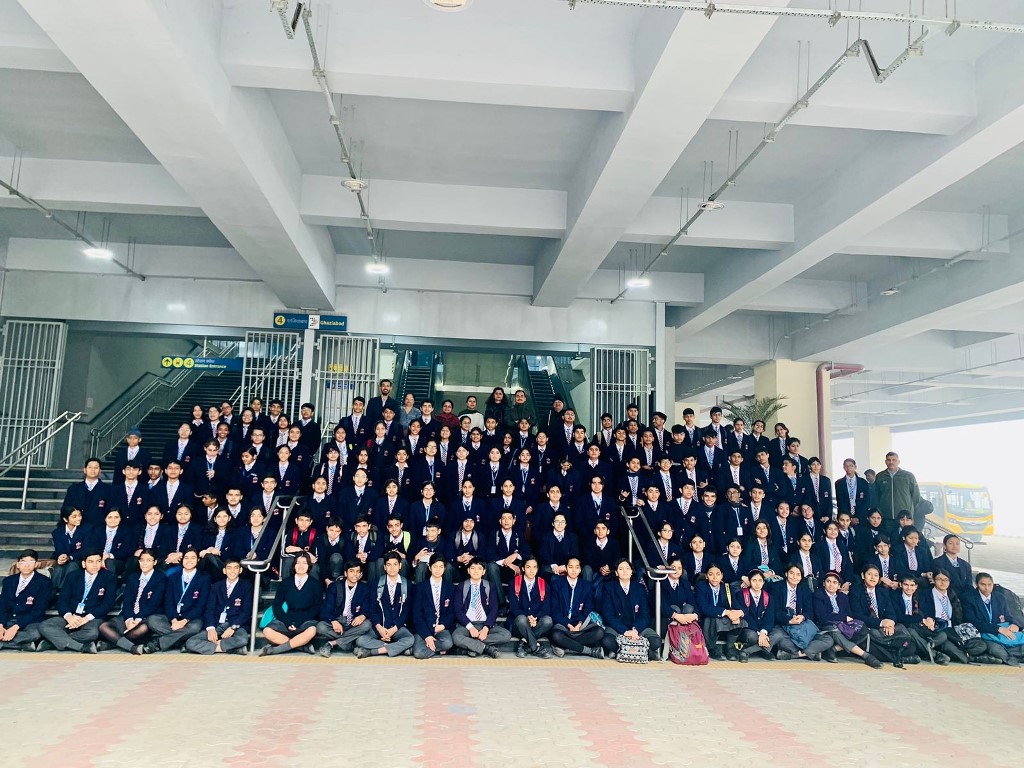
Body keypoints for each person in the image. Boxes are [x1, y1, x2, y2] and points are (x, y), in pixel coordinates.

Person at [38, 551, 117, 653]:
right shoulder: (73, 576)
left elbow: (107, 604)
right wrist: (69, 617)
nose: (95, 565)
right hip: (71, 615)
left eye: (98, 561)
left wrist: (86, 618)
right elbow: (62, 600)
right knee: (45, 625)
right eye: (91, 562)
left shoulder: (109, 577)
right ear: (84, 563)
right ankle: (79, 646)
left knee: (92, 633)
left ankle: (53, 642)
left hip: (92, 617)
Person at [97, 549, 166, 654]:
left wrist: (137, 619)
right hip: (128, 615)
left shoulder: (161, 578)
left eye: (148, 560)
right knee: (104, 626)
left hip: (145, 616)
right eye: (142, 560)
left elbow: (154, 603)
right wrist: (129, 619)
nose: (144, 563)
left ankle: (112, 643)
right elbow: (127, 601)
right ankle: (131, 647)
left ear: (155, 562)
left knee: (142, 629)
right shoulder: (133, 577)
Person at [811, 571, 883, 668]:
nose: (831, 585)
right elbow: (822, 617)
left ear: (839, 586)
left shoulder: (843, 597)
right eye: (828, 581)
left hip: (843, 625)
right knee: (835, 631)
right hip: (826, 625)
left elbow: (850, 615)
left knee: (863, 629)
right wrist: (842, 617)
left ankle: (833, 649)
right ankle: (866, 656)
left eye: (834, 582)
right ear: (824, 583)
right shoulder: (818, 595)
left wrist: (844, 618)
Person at [146, 549, 210, 652]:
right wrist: (174, 620)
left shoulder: (204, 579)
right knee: (152, 620)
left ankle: (158, 642)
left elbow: (200, 605)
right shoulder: (173, 578)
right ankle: (181, 641)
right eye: (186, 558)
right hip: (173, 618)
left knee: (195, 628)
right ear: (182, 560)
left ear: (198, 560)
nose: (189, 561)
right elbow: (168, 602)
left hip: (192, 619)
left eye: (193, 558)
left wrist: (184, 621)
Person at [849, 564, 913, 667]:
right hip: (869, 629)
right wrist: (881, 623)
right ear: (863, 576)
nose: (873, 577)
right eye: (869, 574)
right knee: (870, 644)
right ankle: (898, 658)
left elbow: (891, 612)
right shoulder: (855, 591)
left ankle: (893, 655)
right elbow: (857, 615)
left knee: (910, 644)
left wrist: (890, 623)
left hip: (885, 629)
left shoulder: (882, 591)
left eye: (876, 575)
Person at [598, 558, 662, 661]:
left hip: (636, 629)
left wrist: (635, 630)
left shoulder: (640, 588)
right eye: (621, 569)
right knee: (606, 640)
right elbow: (608, 615)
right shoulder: (608, 588)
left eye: (627, 568)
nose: (625, 571)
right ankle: (644, 652)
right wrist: (625, 631)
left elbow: (645, 614)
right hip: (617, 628)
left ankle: (620, 651)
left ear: (632, 571)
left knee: (656, 641)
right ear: (616, 573)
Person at [353, 552, 415, 658]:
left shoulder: (407, 585)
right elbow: (372, 609)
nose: (392, 568)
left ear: (400, 566)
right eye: (389, 565)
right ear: (384, 567)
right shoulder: (376, 583)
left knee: (410, 639)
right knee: (360, 640)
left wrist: (393, 629)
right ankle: (396, 647)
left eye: (395, 564)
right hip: (380, 626)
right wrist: (379, 628)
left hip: (397, 627)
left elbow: (406, 612)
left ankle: (373, 651)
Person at [185, 558, 252, 655]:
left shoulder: (246, 586)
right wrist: (211, 628)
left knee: (242, 640)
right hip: (217, 624)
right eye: (229, 568)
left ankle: (213, 647)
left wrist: (233, 627)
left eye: (236, 568)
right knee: (191, 642)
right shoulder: (216, 586)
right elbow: (209, 609)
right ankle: (231, 649)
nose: (232, 571)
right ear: (224, 571)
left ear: (240, 570)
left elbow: (246, 612)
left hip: (236, 624)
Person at [770, 563, 832, 661]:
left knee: (828, 640)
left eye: (798, 574)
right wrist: (789, 620)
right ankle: (812, 652)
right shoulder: (776, 587)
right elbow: (773, 611)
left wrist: (802, 616)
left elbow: (810, 612)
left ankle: (795, 654)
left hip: (800, 624)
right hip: (783, 623)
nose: (795, 577)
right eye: (792, 573)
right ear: (786, 574)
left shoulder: (804, 589)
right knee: (780, 639)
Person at [453, 558, 512, 657]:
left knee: (506, 635)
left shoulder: (490, 586)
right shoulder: (462, 586)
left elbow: (494, 609)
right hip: (468, 624)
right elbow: (458, 611)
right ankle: (486, 648)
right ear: (468, 570)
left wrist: (486, 628)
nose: (476, 571)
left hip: (484, 623)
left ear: (484, 571)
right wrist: (470, 627)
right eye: (473, 568)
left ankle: (472, 647)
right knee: (456, 637)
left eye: (479, 568)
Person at [962, 572, 1024, 666]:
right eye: (983, 584)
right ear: (977, 584)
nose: (986, 588)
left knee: (1017, 640)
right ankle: (1013, 657)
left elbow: (1008, 616)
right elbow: (972, 622)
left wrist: (1015, 625)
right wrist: (997, 629)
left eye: (989, 584)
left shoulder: (1000, 597)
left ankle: (1009, 657)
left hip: (1004, 632)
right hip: (984, 632)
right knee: (995, 649)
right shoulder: (969, 598)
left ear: (993, 584)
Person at [549, 557, 604, 658]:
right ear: (566, 568)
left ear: (580, 570)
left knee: (599, 632)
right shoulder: (557, 585)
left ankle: (564, 645)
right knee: (555, 635)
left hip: (580, 625)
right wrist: (568, 624)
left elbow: (588, 609)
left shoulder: (586, 586)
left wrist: (579, 624)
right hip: (563, 625)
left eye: (577, 567)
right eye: (570, 567)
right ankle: (589, 651)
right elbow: (554, 610)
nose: (574, 570)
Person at [316, 560, 373, 656]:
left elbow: (368, 607)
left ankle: (333, 643)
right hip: (339, 620)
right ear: (345, 573)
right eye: (351, 571)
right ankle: (350, 642)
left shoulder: (365, 588)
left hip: (354, 623)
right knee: (320, 627)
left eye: (358, 571)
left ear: (361, 574)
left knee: (367, 625)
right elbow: (325, 610)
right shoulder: (334, 586)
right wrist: (333, 621)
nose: (355, 574)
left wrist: (363, 615)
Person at [0, 549, 52, 651]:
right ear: (17, 565)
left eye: (31, 562)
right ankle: (24, 645)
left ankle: (5, 643)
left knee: (35, 634)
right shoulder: (8, 581)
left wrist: (16, 627)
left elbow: (39, 610)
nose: (26, 565)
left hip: (31, 621)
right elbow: (2, 605)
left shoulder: (44, 582)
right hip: (9, 619)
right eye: (23, 562)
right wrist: (1, 625)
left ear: (36, 564)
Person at [892, 574, 949, 664]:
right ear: (901, 585)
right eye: (906, 585)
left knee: (943, 634)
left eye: (912, 585)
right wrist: (921, 620)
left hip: (921, 627)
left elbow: (926, 613)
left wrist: (930, 620)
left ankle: (928, 645)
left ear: (916, 586)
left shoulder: (920, 597)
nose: (909, 588)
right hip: (906, 627)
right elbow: (899, 617)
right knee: (911, 632)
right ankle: (934, 654)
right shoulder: (895, 596)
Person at [695, 563, 745, 660]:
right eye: (711, 574)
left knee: (740, 621)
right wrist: (727, 612)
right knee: (710, 619)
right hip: (708, 618)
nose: (714, 577)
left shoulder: (727, 587)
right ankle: (711, 648)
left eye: (718, 574)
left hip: (723, 618)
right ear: (706, 576)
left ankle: (729, 647)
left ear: (722, 575)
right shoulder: (701, 586)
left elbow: (736, 605)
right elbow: (704, 608)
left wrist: (739, 613)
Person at [411, 553, 457, 659]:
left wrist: (443, 626)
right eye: (435, 566)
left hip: (441, 628)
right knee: (418, 653)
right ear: (430, 568)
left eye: (441, 567)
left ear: (445, 568)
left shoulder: (450, 588)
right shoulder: (420, 588)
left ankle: (431, 649)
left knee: (447, 643)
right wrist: (427, 636)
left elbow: (452, 612)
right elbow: (416, 615)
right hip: (424, 627)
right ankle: (440, 650)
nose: (438, 570)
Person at [508, 557, 553, 658]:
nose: (531, 570)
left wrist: (535, 618)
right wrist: (528, 617)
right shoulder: (514, 583)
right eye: (528, 567)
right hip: (519, 624)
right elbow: (513, 607)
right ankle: (535, 648)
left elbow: (546, 608)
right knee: (522, 619)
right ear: (523, 568)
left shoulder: (544, 584)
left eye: (534, 567)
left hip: (536, 622)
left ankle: (524, 643)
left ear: (537, 569)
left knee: (548, 621)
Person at [735, 570, 777, 662]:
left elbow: (770, 617)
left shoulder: (768, 597)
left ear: (764, 582)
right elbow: (746, 616)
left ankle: (746, 651)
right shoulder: (741, 595)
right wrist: (759, 633)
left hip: (763, 630)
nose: (757, 584)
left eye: (760, 580)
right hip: (749, 628)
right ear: (749, 581)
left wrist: (763, 632)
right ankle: (765, 650)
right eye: (754, 580)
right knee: (752, 637)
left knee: (778, 634)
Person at [51, 507, 94, 593]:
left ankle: (64, 591)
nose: (78, 518)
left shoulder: (87, 529)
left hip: (79, 559)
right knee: (59, 569)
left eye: (79, 515)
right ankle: (52, 591)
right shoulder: (57, 532)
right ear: (65, 519)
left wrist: (70, 557)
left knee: (72, 566)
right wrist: (61, 556)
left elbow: (86, 550)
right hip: (65, 560)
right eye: (74, 516)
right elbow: (59, 549)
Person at [873, 452, 921, 523]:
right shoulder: (880, 476)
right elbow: (876, 495)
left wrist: (909, 511)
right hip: (886, 517)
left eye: (894, 460)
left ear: (898, 462)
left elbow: (916, 496)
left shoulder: (908, 476)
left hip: (904, 518)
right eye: (889, 460)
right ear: (885, 462)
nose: (891, 462)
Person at [61, 458, 109, 527]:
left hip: (98, 528)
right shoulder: (74, 489)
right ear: (85, 470)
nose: (93, 470)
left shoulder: (108, 489)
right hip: (78, 527)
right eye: (90, 467)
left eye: (96, 467)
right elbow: (66, 509)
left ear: (100, 471)